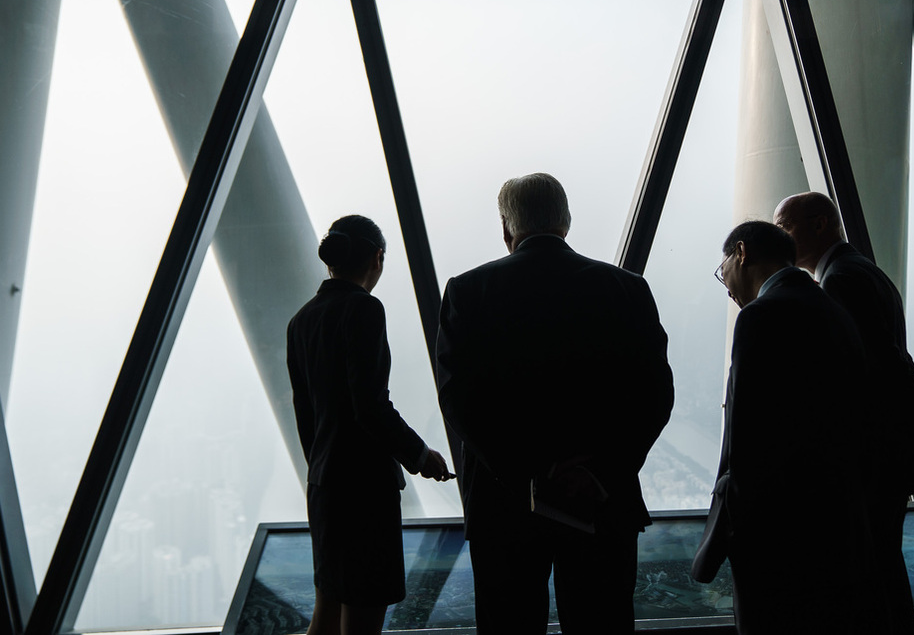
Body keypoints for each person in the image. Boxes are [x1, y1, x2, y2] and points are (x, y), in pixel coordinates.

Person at [436, 173, 674, 634]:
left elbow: (459, 398)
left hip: (504, 510)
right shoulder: (626, 288)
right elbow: (655, 395)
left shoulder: (467, 291)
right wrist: (598, 472)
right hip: (602, 503)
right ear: (566, 221)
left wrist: (530, 474)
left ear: (507, 228)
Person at [773, 191, 914, 633]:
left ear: (819, 224)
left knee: (868, 569)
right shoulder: (860, 271)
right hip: (889, 452)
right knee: (882, 564)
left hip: (871, 456)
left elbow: (861, 375)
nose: (779, 238)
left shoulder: (840, 280)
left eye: (785, 227)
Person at [693, 221, 883, 634]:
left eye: (720, 268)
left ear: (741, 253)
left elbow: (747, 439)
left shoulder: (761, 315)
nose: (724, 283)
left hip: (777, 534)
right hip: (837, 527)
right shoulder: (834, 310)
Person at [287, 215, 452, 635]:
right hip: (363, 493)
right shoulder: (363, 308)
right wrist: (420, 455)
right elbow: (370, 406)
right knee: (362, 621)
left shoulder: (302, 319)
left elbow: (305, 415)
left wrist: (323, 466)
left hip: (324, 487)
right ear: (376, 258)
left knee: (325, 617)